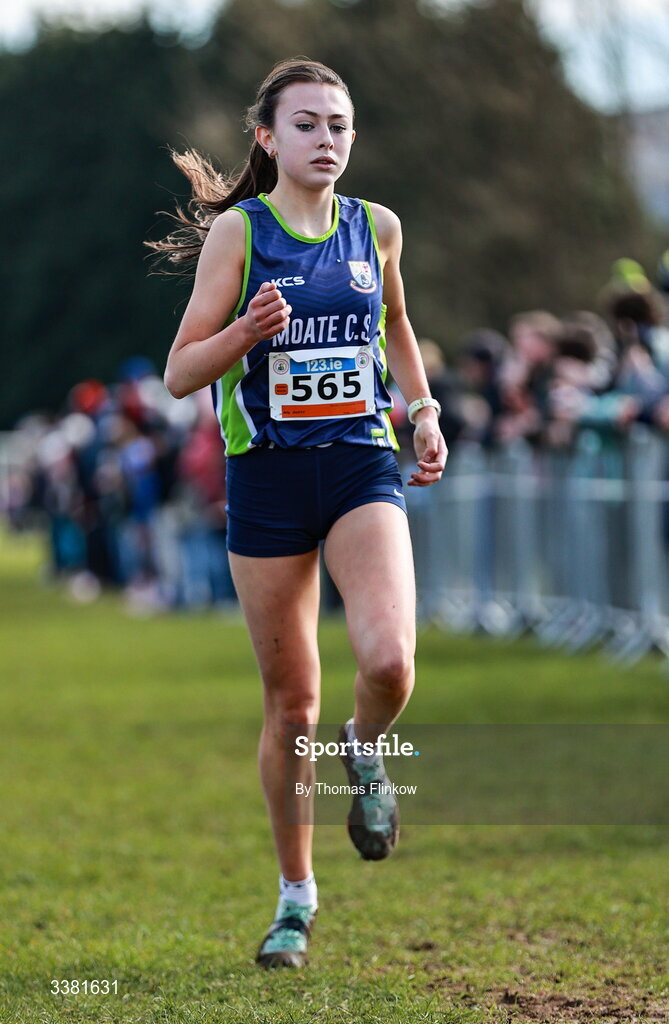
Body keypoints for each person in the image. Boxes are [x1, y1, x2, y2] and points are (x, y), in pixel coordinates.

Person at [149, 58, 447, 969]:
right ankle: (295, 897)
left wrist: (422, 407)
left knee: (390, 663)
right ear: (268, 139)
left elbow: (394, 323)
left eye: (341, 126)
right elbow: (178, 373)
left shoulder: (378, 228)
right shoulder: (240, 234)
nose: (329, 141)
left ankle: (366, 748)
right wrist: (245, 334)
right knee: (290, 710)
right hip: (268, 479)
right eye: (309, 125)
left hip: (360, 466)